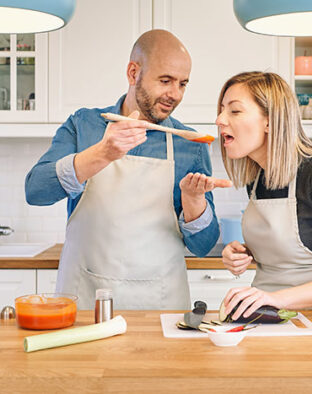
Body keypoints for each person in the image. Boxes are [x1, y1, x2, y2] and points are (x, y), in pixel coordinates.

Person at [25, 29, 231, 310]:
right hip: (86, 297)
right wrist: (101, 153)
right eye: (165, 80)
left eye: (183, 84)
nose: (175, 94)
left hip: (160, 304)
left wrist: (194, 203)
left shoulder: (190, 144)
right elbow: (35, 191)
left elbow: (203, 246)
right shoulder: (84, 125)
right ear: (133, 73)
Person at [216, 71, 312, 318]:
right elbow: (291, 251)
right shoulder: (257, 179)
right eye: (221, 110)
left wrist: (274, 298)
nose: (219, 119)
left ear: (270, 121)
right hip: (265, 317)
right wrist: (246, 252)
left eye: (234, 111)